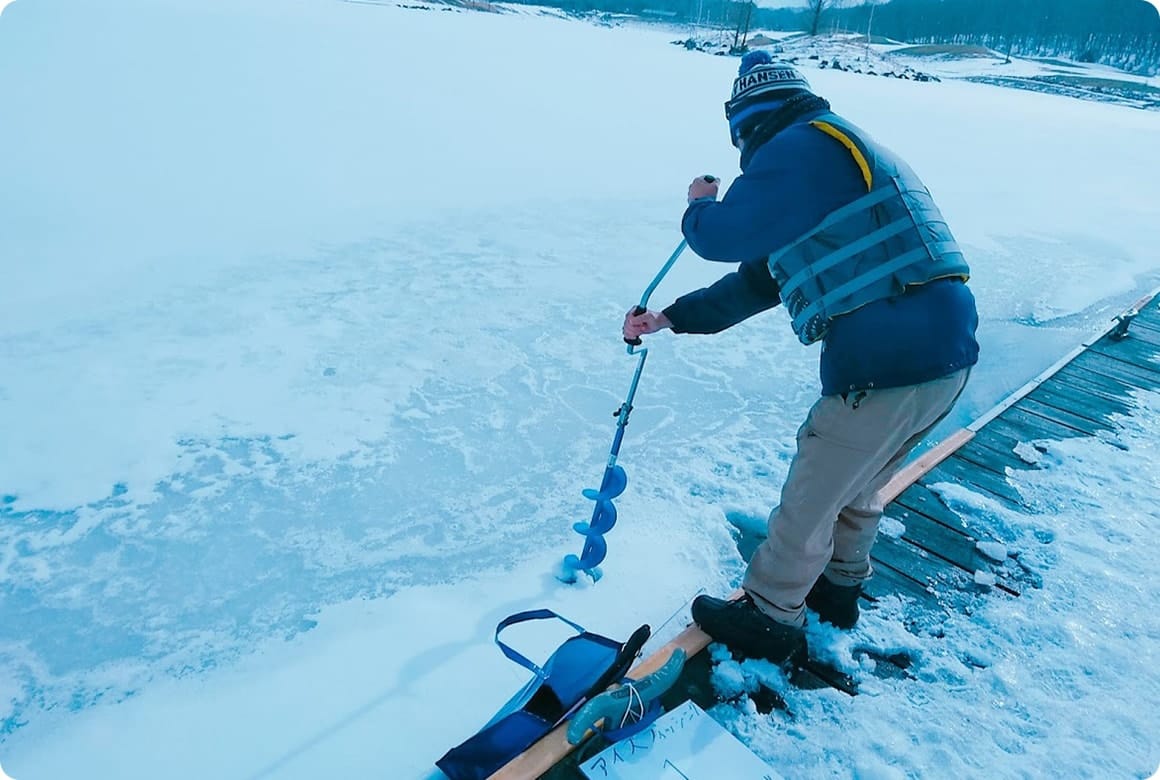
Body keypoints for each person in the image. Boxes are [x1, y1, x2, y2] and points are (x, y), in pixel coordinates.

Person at [622, 51, 979, 665]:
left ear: (748, 124)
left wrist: (699, 204)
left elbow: (720, 235)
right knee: (858, 483)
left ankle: (769, 614)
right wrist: (672, 317)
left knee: (813, 491)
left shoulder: (804, 146)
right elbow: (754, 283)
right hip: (942, 355)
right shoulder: (827, 164)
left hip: (890, 357)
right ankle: (840, 590)